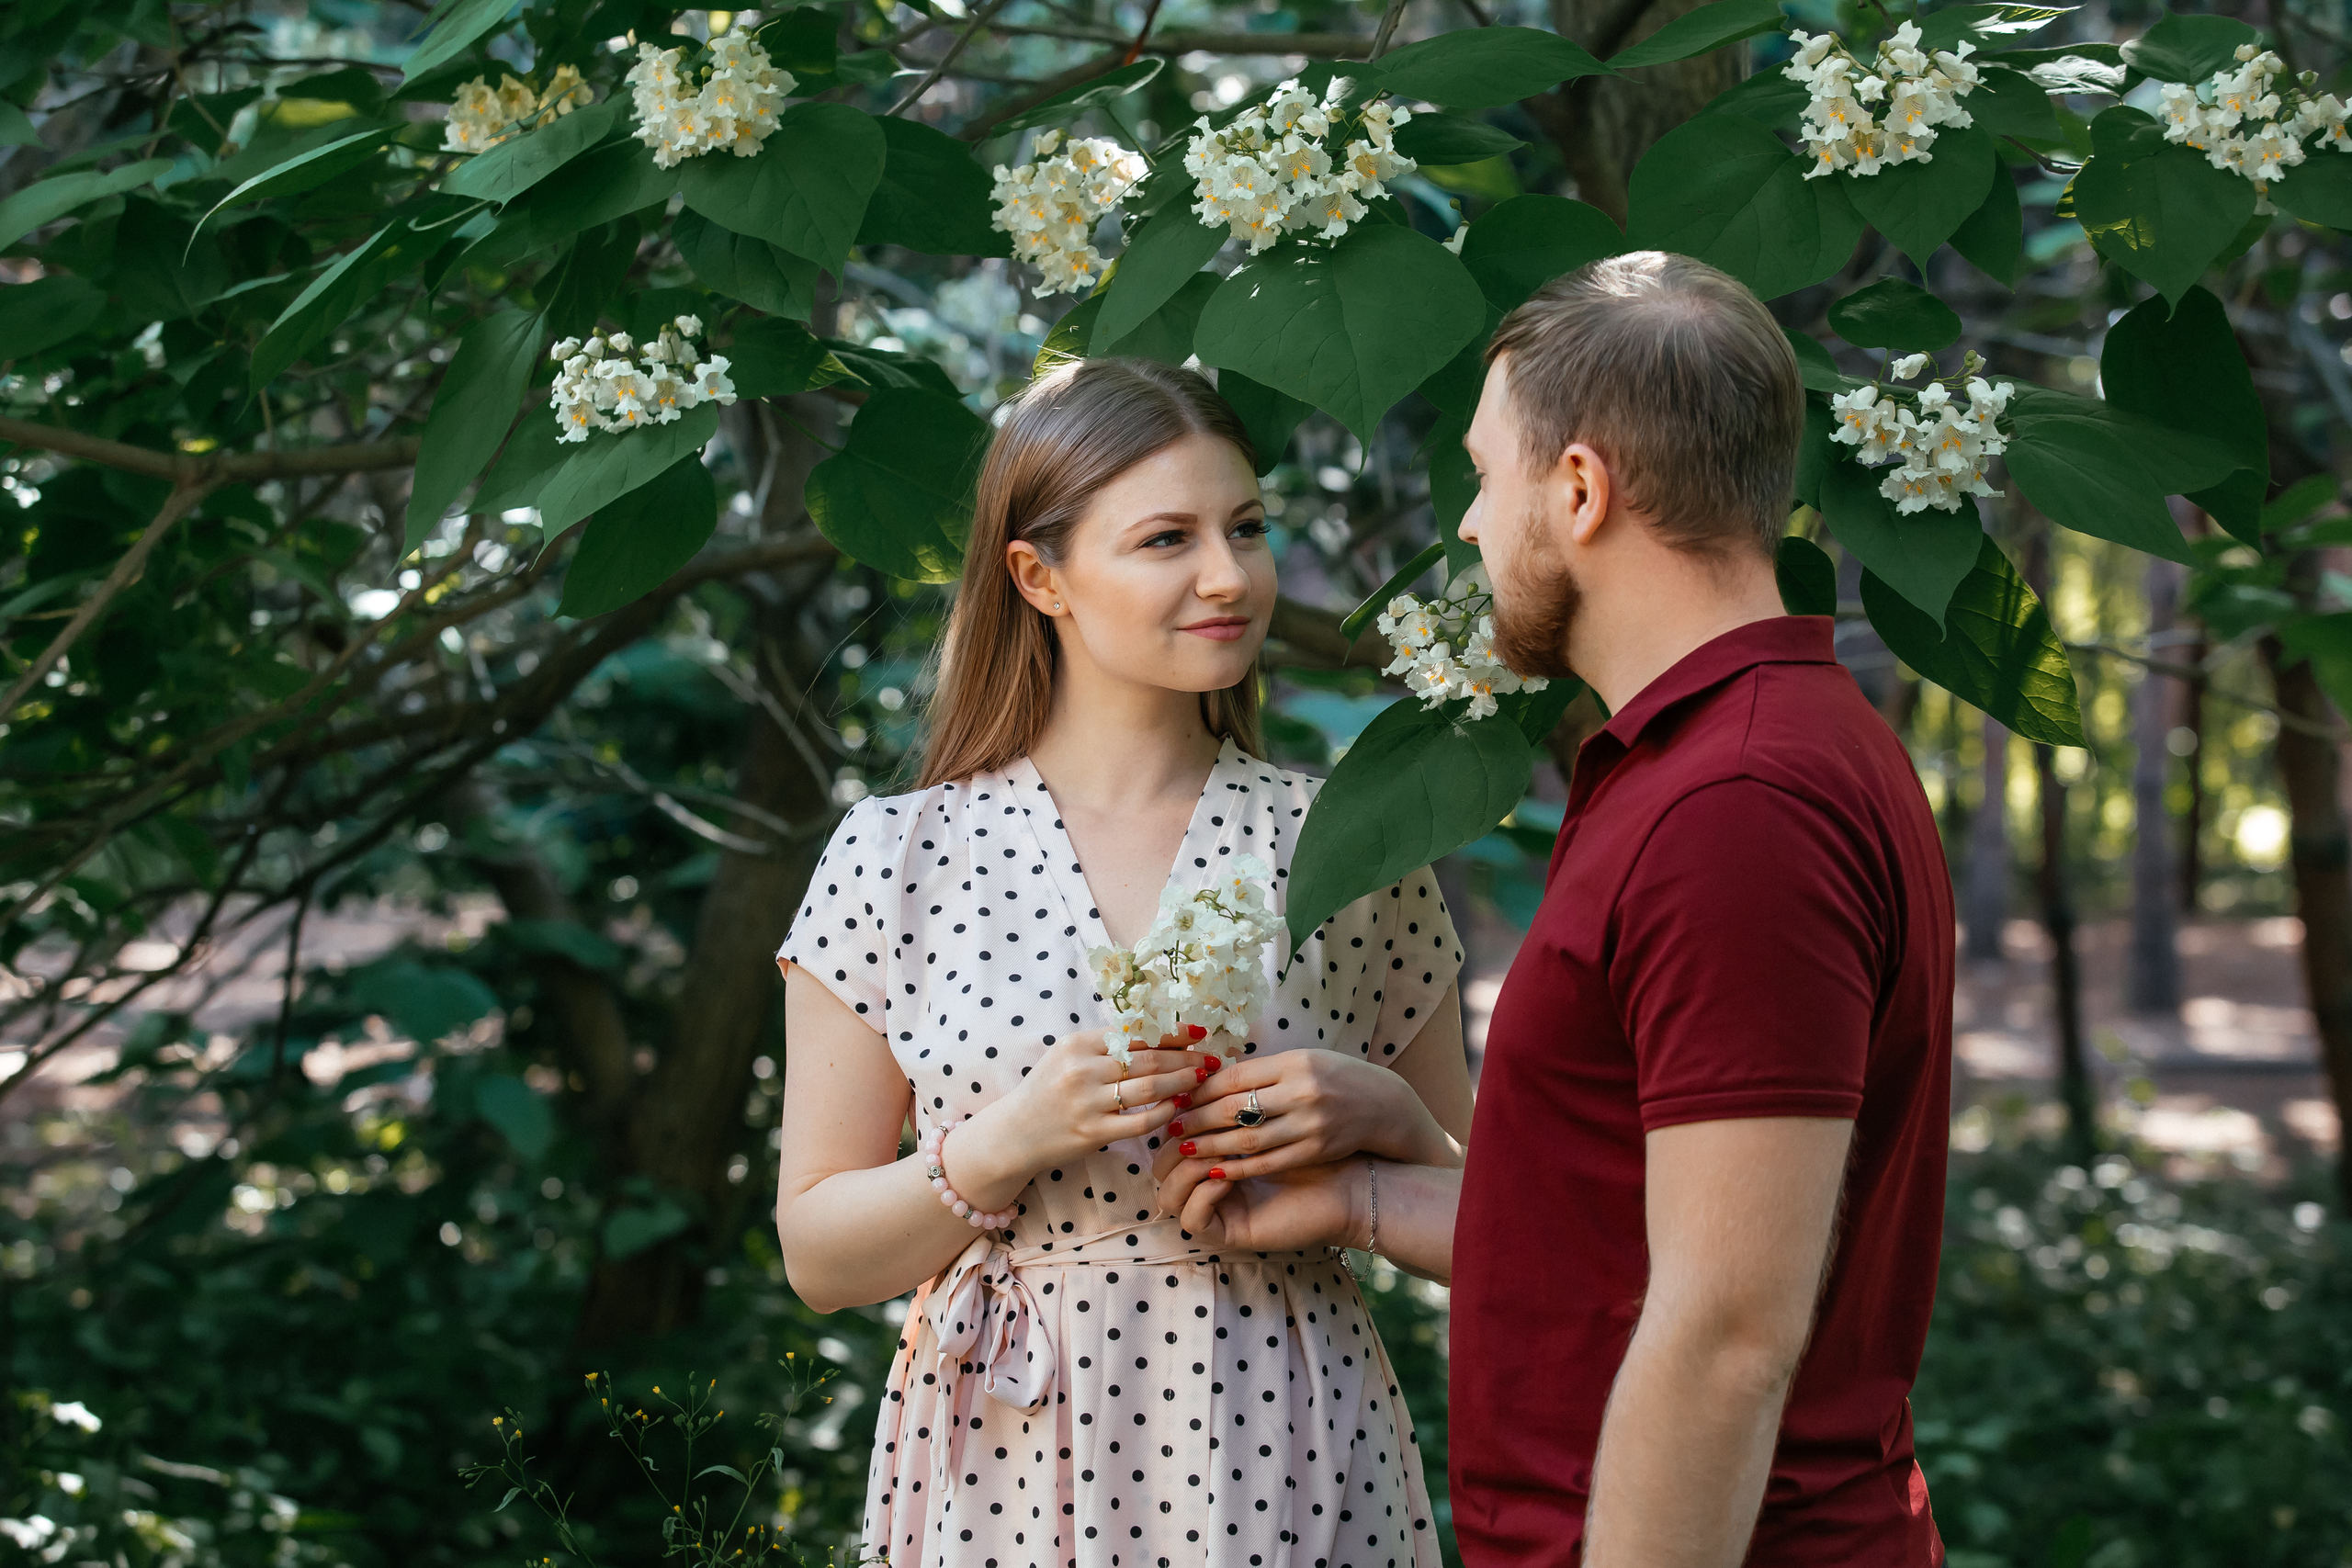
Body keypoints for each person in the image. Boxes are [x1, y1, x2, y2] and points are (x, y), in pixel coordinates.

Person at [1159, 252, 1955, 1566]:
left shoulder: (1738, 807)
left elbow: (1725, 1336)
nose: (1471, 526)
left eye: (1485, 476)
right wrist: (1367, 1192)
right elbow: (1630, 1251)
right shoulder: (1716, 760)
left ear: (1579, 489)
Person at [771, 356, 1475, 1568]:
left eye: (1246, 527)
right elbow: (821, 1257)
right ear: (1039, 576)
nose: (1228, 575)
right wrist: (1010, 1139)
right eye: (1167, 538)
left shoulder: (1351, 843)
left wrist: (1398, 1123)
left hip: (1290, 1448)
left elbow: (1507, 1229)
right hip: (1004, 1457)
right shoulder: (897, 854)